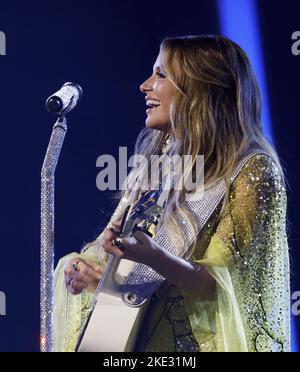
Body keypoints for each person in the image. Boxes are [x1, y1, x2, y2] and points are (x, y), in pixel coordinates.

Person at [54, 35, 290, 352]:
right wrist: (89, 271)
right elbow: (120, 266)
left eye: (161, 75)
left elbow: (219, 287)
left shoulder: (250, 170)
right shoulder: (156, 165)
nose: (144, 85)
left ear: (201, 89)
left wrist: (155, 257)